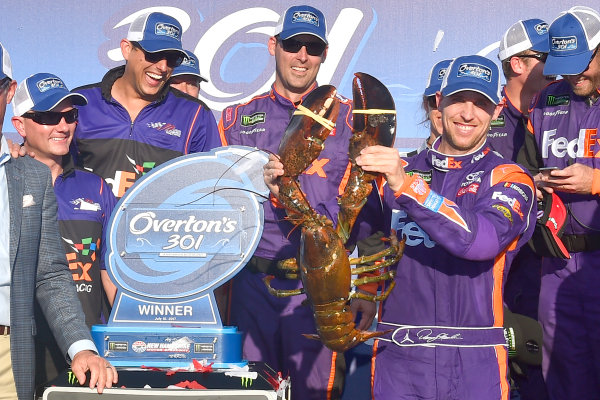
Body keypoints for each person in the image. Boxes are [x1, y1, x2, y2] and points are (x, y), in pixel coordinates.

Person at [351, 55, 536, 399]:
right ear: (439, 102)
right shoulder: (397, 170)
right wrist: (365, 290)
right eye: (458, 100)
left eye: (481, 104)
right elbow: (365, 236)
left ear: (496, 111)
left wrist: (408, 187)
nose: (468, 113)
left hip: (474, 360)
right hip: (398, 356)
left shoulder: (509, 177)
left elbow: (480, 242)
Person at [219, 5, 358, 399]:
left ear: (325, 54)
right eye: (293, 44)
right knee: (248, 393)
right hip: (252, 286)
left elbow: (364, 211)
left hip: (319, 291)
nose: (302, 56)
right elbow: (217, 198)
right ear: (273, 46)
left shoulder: (350, 118)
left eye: (311, 48)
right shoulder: (235, 118)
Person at [0, 43, 117, 400]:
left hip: (9, 350)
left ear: (7, 92)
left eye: (69, 116)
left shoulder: (29, 179)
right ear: (21, 124)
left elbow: (51, 273)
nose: (63, 125)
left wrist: (83, 346)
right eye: (49, 116)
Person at [517, 6, 600, 399]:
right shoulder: (546, 100)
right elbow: (526, 168)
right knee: (563, 377)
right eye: (565, 66)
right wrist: (533, 183)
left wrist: (595, 181)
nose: (574, 75)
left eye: (582, 64)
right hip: (556, 263)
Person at [71, 11, 220, 199]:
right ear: (126, 49)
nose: (163, 67)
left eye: (172, 58)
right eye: (153, 54)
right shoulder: (80, 103)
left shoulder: (195, 113)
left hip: (159, 227)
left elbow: (213, 186)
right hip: (90, 228)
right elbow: (49, 168)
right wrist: (24, 152)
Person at [493, 18, 552, 400]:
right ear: (518, 63)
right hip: (505, 282)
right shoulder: (484, 122)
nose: (561, 66)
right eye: (546, 57)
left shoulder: (565, 116)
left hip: (559, 274)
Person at [490, 18, 553, 161]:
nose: (555, 65)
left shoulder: (569, 106)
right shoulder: (484, 113)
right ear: (517, 64)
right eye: (546, 57)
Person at [408, 59, 452, 155]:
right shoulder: (401, 165)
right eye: (435, 102)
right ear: (426, 105)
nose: (444, 110)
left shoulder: (491, 167)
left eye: (453, 103)